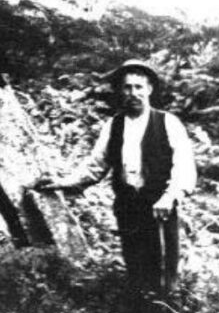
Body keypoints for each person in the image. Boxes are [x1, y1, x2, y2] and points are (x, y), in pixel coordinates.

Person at [35, 59, 196, 300]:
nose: (133, 93)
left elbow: (184, 166)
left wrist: (170, 197)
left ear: (149, 89)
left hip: (159, 207)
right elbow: (95, 165)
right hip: (128, 207)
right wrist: (63, 182)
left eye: (139, 87)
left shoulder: (167, 123)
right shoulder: (114, 125)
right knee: (135, 265)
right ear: (121, 90)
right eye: (128, 87)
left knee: (163, 268)